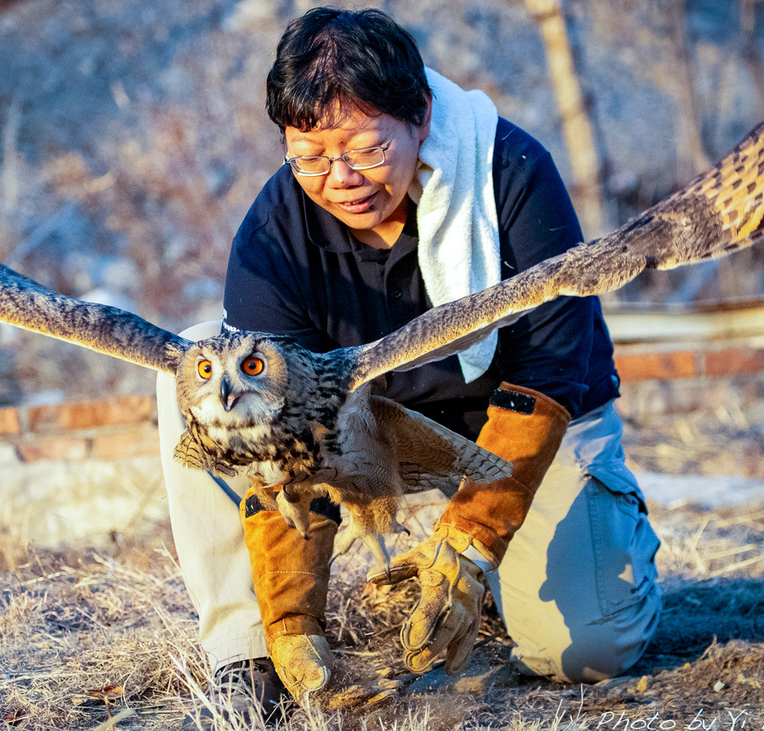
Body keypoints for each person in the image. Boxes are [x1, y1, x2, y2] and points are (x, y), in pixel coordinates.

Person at [156, 6, 661, 721]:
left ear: (421, 116)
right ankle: (249, 650)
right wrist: (294, 616)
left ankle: (595, 543)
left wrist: (470, 542)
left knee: (584, 648)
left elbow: (551, 371)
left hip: (526, 420)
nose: (340, 178)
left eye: (364, 149)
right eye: (309, 156)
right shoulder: (275, 234)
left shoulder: (510, 176)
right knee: (200, 358)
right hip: (371, 433)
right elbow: (285, 440)